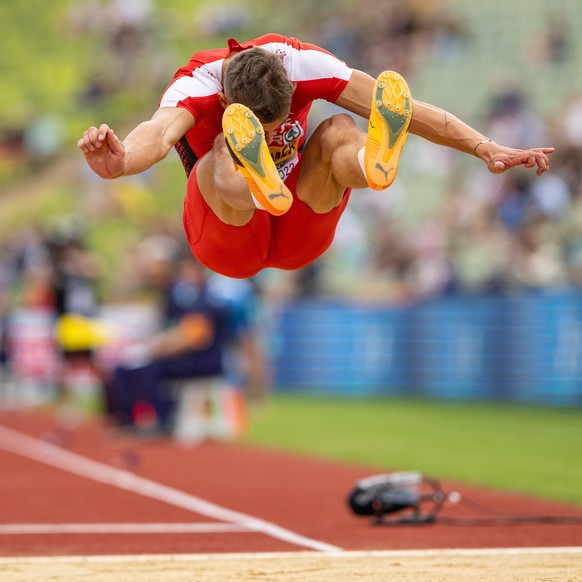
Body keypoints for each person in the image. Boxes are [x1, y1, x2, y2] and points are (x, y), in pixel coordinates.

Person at [78, 33, 554, 279]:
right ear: (226, 102)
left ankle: (371, 166)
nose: (271, 135)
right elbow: (157, 136)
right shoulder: (195, 86)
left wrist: (484, 146)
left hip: (298, 215)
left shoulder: (303, 64)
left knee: (340, 129)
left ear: (288, 87)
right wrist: (119, 162)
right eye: (260, 131)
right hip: (228, 236)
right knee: (220, 152)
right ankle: (253, 181)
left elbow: (403, 109)